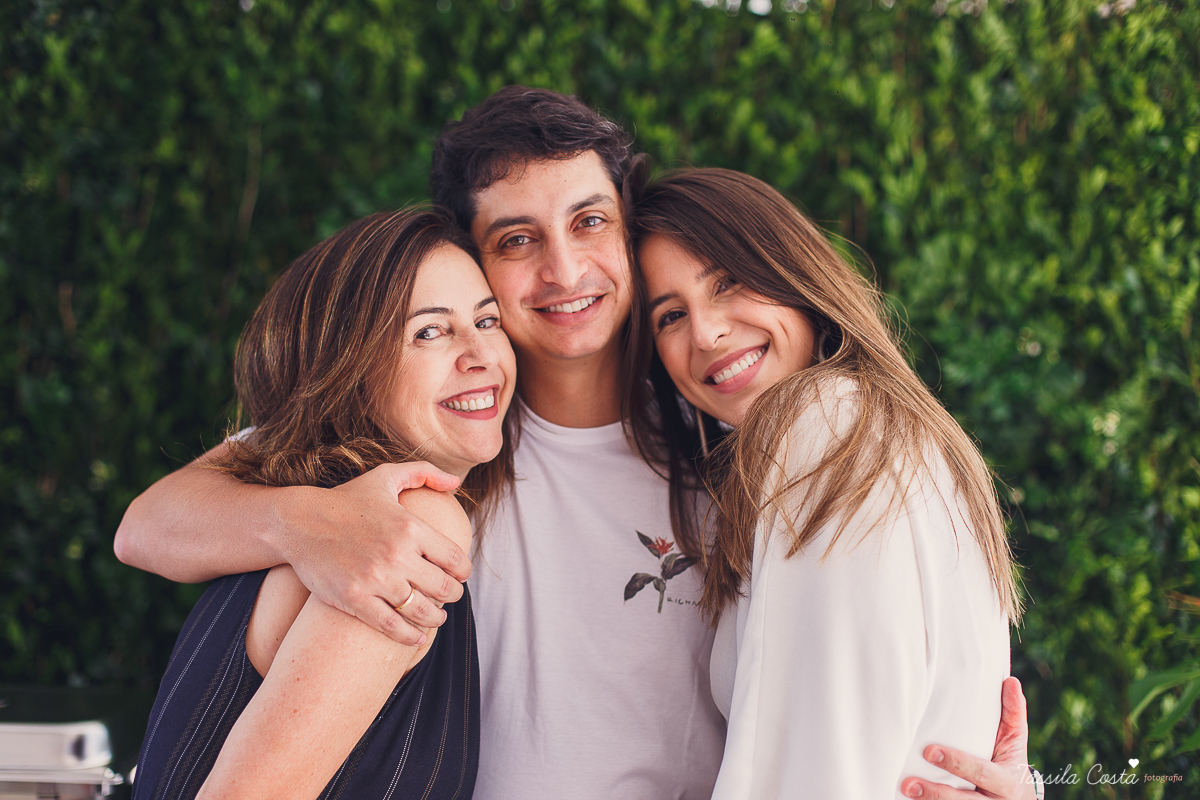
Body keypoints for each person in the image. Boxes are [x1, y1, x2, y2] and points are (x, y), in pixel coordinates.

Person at [117, 86, 1038, 799]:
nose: (563, 270)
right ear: (477, 260)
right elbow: (150, 525)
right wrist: (302, 526)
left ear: (626, 232)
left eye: (590, 222)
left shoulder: (733, 441)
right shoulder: (438, 434)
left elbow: (840, 681)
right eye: (517, 240)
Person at [629, 167, 1025, 798]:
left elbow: (810, 776)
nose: (705, 333)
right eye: (670, 316)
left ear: (792, 273)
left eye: (727, 282)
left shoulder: (822, 429)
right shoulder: (875, 424)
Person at [131, 207, 517, 799]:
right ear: (352, 370)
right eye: (429, 332)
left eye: (486, 321)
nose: (480, 354)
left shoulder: (295, 510)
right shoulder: (407, 524)